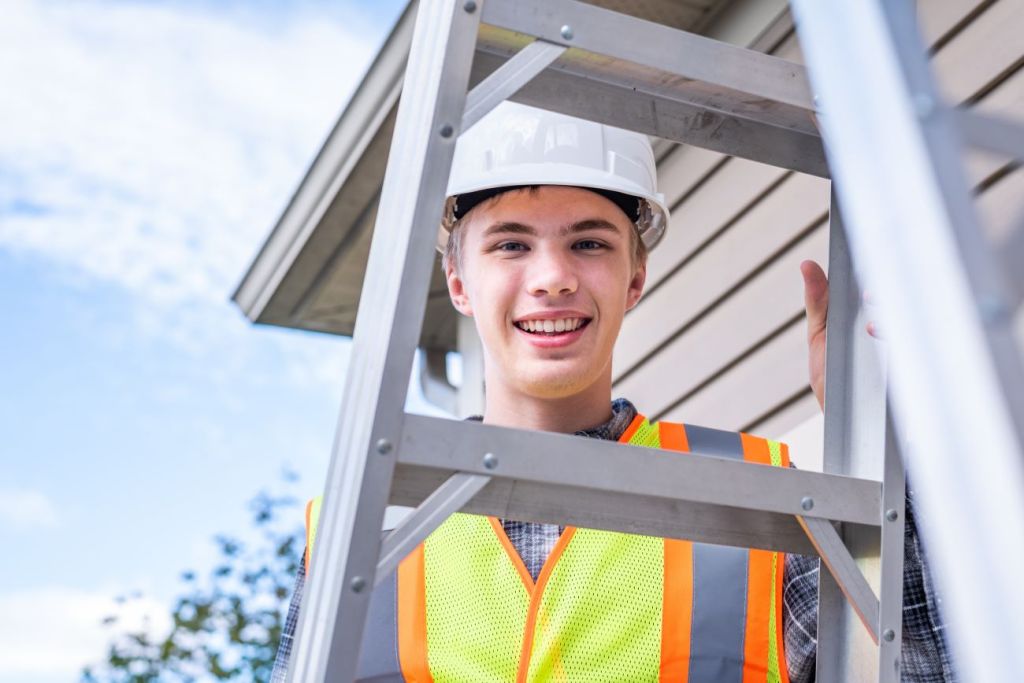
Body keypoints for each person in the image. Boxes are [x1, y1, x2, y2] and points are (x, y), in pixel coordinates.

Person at [272, 103, 953, 682]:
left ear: (634, 279)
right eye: (511, 245)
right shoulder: (359, 530)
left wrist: (883, 439)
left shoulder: (758, 499)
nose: (552, 278)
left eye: (590, 243)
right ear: (458, 283)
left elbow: (925, 664)